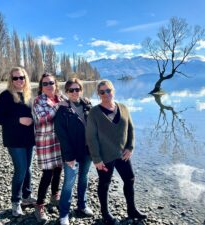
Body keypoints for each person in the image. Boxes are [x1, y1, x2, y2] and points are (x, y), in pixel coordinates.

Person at [86, 80, 147, 225]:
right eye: (102, 92)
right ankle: (105, 213)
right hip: (104, 156)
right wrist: (96, 159)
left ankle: (131, 210)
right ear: (98, 94)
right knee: (105, 183)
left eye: (108, 90)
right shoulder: (94, 112)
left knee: (130, 179)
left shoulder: (124, 108)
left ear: (113, 91)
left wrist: (130, 147)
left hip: (122, 154)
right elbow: (91, 137)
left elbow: (131, 129)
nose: (106, 94)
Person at [0, 67, 36, 217]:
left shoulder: (28, 95)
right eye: (15, 78)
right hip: (14, 140)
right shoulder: (5, 96)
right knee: (21, 170)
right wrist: (18, 120)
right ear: (11, 80)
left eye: (22, 77)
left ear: (26, 78)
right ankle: (15, 202)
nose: (19, 80)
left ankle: (26, 197)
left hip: (29, 139)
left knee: (28, 169)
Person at [55, 78, 94, 225]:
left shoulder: (87, 105)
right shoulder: (62, 110)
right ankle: (64, 214)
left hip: (87, 151)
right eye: (71, 90)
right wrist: (69, 156)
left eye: (77, 89)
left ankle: (82, 206)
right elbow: (61, 135)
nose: (74, 92)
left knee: (83, 178)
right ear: (66, 92)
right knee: (69, 183)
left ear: (81, 91)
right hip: (72, 153)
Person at [33, 73, 65, 222]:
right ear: (41, 87)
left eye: (51, 82)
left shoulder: (61, 97)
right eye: (45, 83)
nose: (48, 86)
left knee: (58, 169)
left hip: (60, 141)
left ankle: (55, 196)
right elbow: (42, 119)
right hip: (46, 142)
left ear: (56, 84)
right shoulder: (38, 101)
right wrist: (58, 107)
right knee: (47, 174)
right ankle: (39, 205)